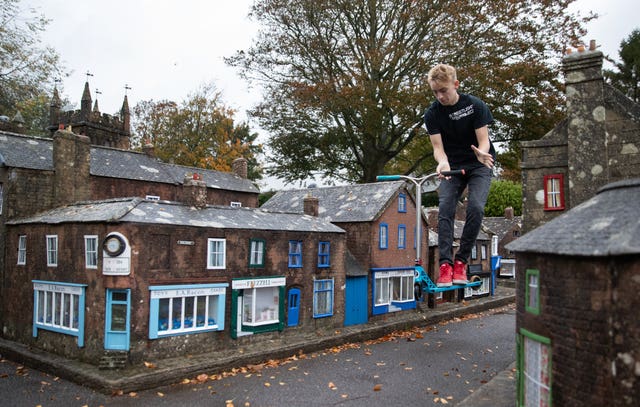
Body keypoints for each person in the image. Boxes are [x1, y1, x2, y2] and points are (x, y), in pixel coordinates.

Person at [423, 64, 495, 287]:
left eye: (443, 90)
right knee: (445, 208)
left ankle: (461, 262)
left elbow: (483, 139)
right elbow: (437, 147)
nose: (440, 96)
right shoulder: (432, 114)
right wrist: (442, 162)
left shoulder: (474, 106)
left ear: (455, 85)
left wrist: (482, 152)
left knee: (476, 207)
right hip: (452, 167)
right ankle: (445, 265)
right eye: (435, 92)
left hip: (479, 164)